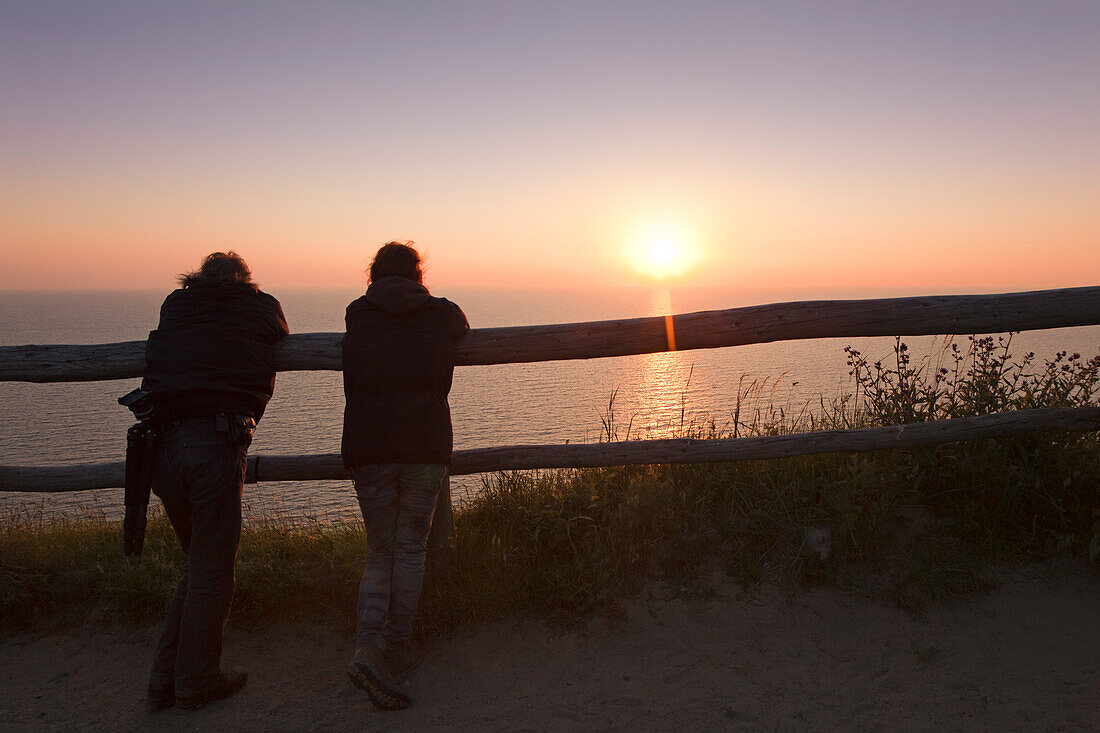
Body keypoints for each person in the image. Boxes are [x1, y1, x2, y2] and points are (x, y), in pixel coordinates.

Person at [141, 252, 289, 713]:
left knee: (198, 564)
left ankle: (165, 683)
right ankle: (197, 683)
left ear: (198, 279)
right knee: (211, 573)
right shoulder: (258, 305)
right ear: (246, 280)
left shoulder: (175, 304)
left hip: (158, 447)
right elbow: (277, 329)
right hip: (214, 443)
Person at [341, 241, 469, 711]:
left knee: (381, 549)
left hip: (368, 445)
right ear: (418, 273)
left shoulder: (358, 312)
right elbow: (461, 324)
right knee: (410, 548)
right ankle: (396, 646)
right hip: (423, 445)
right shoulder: (441, 313)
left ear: (373, 272)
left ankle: (367, 646)